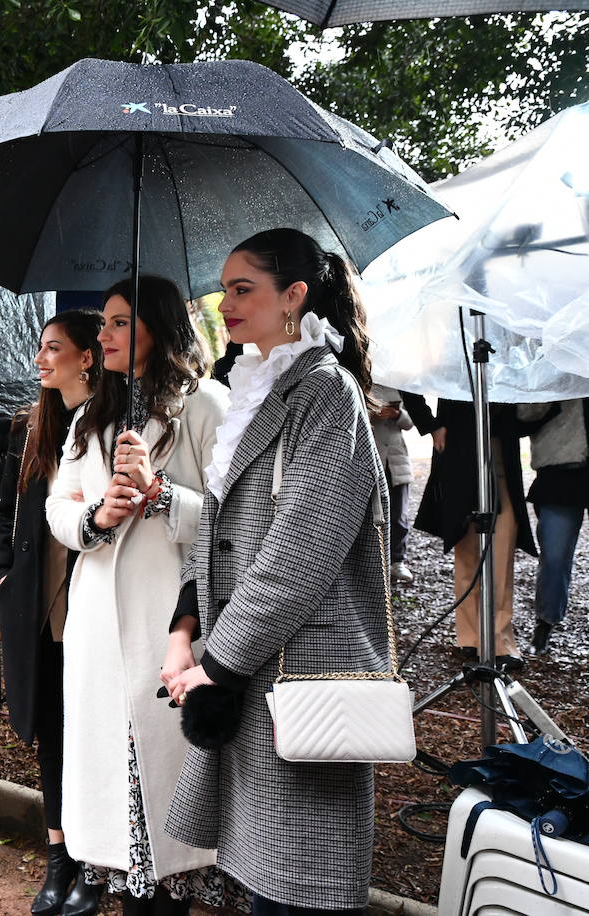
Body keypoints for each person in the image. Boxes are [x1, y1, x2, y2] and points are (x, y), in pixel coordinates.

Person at [163, 228, 389, 915]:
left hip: (301, 671)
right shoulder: (260, 387)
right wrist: (185, 628)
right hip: (257, 668)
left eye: (242, 289)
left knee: (300, 888)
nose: (225, 303)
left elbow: (299, 552)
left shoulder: (324, 392)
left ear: (293, 296)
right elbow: (227, 536)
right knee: (268, 884)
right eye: (223, 288)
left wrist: (216, 665)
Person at [46, 280, 231, 916]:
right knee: (113, 802)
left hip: (170, 619)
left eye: (120, 323)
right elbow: (58, 506)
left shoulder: (208, 407)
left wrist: (159, 495)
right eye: (104, 324)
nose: (103, 336)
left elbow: (232, 521)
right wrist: (96, 518)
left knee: (165, 793)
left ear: (157, 327)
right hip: (98, 622)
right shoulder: (91, 413)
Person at [0, 310, 100, 915]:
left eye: (54, 348)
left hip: (94, 602)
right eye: (40, 348)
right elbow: (0, 512)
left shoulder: (113, 427)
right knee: (53, 734)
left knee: (94, 734)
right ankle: (59, 856)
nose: (40, 359)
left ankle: (95, 861)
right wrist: (4, 575)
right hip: (36, 606)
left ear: (87, 357)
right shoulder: (33, 429)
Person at [402, 393, 537, 668]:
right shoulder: (451, 350)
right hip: (459, 451)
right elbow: (410, 382)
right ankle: (469, 637)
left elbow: (532, 414)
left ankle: (499, 640)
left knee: (502, 547)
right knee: (466, 545)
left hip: (501, 451)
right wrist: (431, 425)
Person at [518, 398, 589, 654]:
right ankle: (545, 621)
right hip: (558, 472)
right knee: (555, 556)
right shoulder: (548, 363)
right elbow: (524, 414)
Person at [370, 384, 415, 585]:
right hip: (373, 456)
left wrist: (396, 414)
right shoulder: (364, 385)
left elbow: (410, 423)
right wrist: (374, 413)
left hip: (397, 459)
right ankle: (375, 561)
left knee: (399, 515)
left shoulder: (399, 385)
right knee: (373, 513)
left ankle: (397, 560)